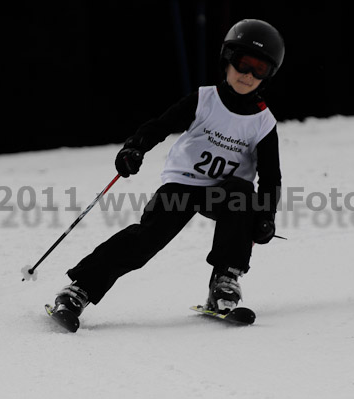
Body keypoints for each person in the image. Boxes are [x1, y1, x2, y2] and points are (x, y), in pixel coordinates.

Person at [50, 19, 285, 328]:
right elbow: (159, 126)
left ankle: (225, 281)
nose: (248, 75)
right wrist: (135, 148)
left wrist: (266, 215)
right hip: (182, 186)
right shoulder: (205, 100)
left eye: (259, 69)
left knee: (241, 195)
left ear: (268, 75)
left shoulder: (263, 122)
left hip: (224, 192)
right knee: (146, 240)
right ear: (227, 61)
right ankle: (79, 289)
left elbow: (270, 177)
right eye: (243, 64)